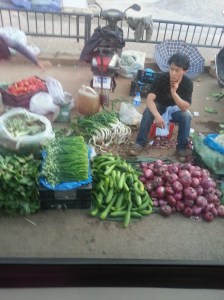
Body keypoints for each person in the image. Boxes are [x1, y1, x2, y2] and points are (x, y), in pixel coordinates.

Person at [129, 52, 193, 161]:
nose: (173, 73)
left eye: (177, 70)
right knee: (148, 112)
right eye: (171, 69)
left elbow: (184, 107)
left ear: (184, 71)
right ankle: (140, 142)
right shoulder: (161, 77)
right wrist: (157, 115)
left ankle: (181, 148)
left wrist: (174, 92)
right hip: (160, 105)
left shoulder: (188, 83)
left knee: (186, 116)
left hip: (175, 108)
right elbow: (149, 99)